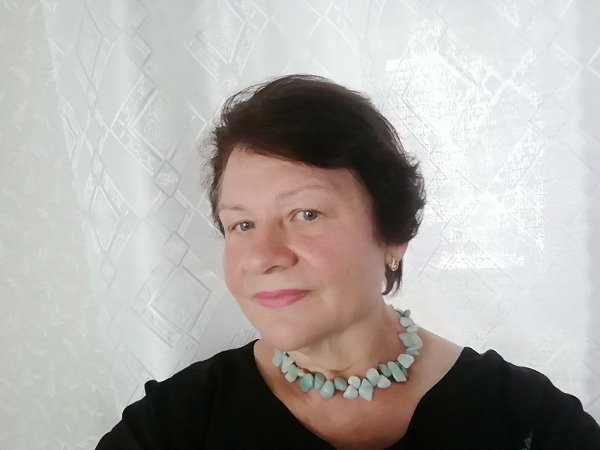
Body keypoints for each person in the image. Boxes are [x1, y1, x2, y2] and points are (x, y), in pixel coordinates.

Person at [97, 74, 600, 449]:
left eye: (306, 214)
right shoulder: (173, 425)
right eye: (242, 224)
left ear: (393, 234)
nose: (264, 257)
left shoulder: (528, 420)